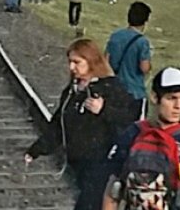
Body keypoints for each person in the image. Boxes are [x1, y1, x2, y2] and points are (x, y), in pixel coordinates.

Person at [24, 39, 138, 210]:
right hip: (79, 163)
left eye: (77, 62)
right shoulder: (72, 91)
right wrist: (36, 150)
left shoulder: (111, 87)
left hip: (103, 163)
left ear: (91, 61)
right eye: (70, 62)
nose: (72, 68)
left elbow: (130, 118)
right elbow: (58, 125)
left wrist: (104, 109)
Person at [102, 67, 180, 210]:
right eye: (171, 98)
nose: (178, 106)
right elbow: (113, 189)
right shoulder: (132, 134)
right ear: (154, 97)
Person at [105, 1, 153, 120]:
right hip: (134, 92)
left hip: (115, 90)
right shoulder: (142, 42)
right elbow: (144, 67)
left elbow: (105, 60)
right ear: (145, 22)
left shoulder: (115, 36)